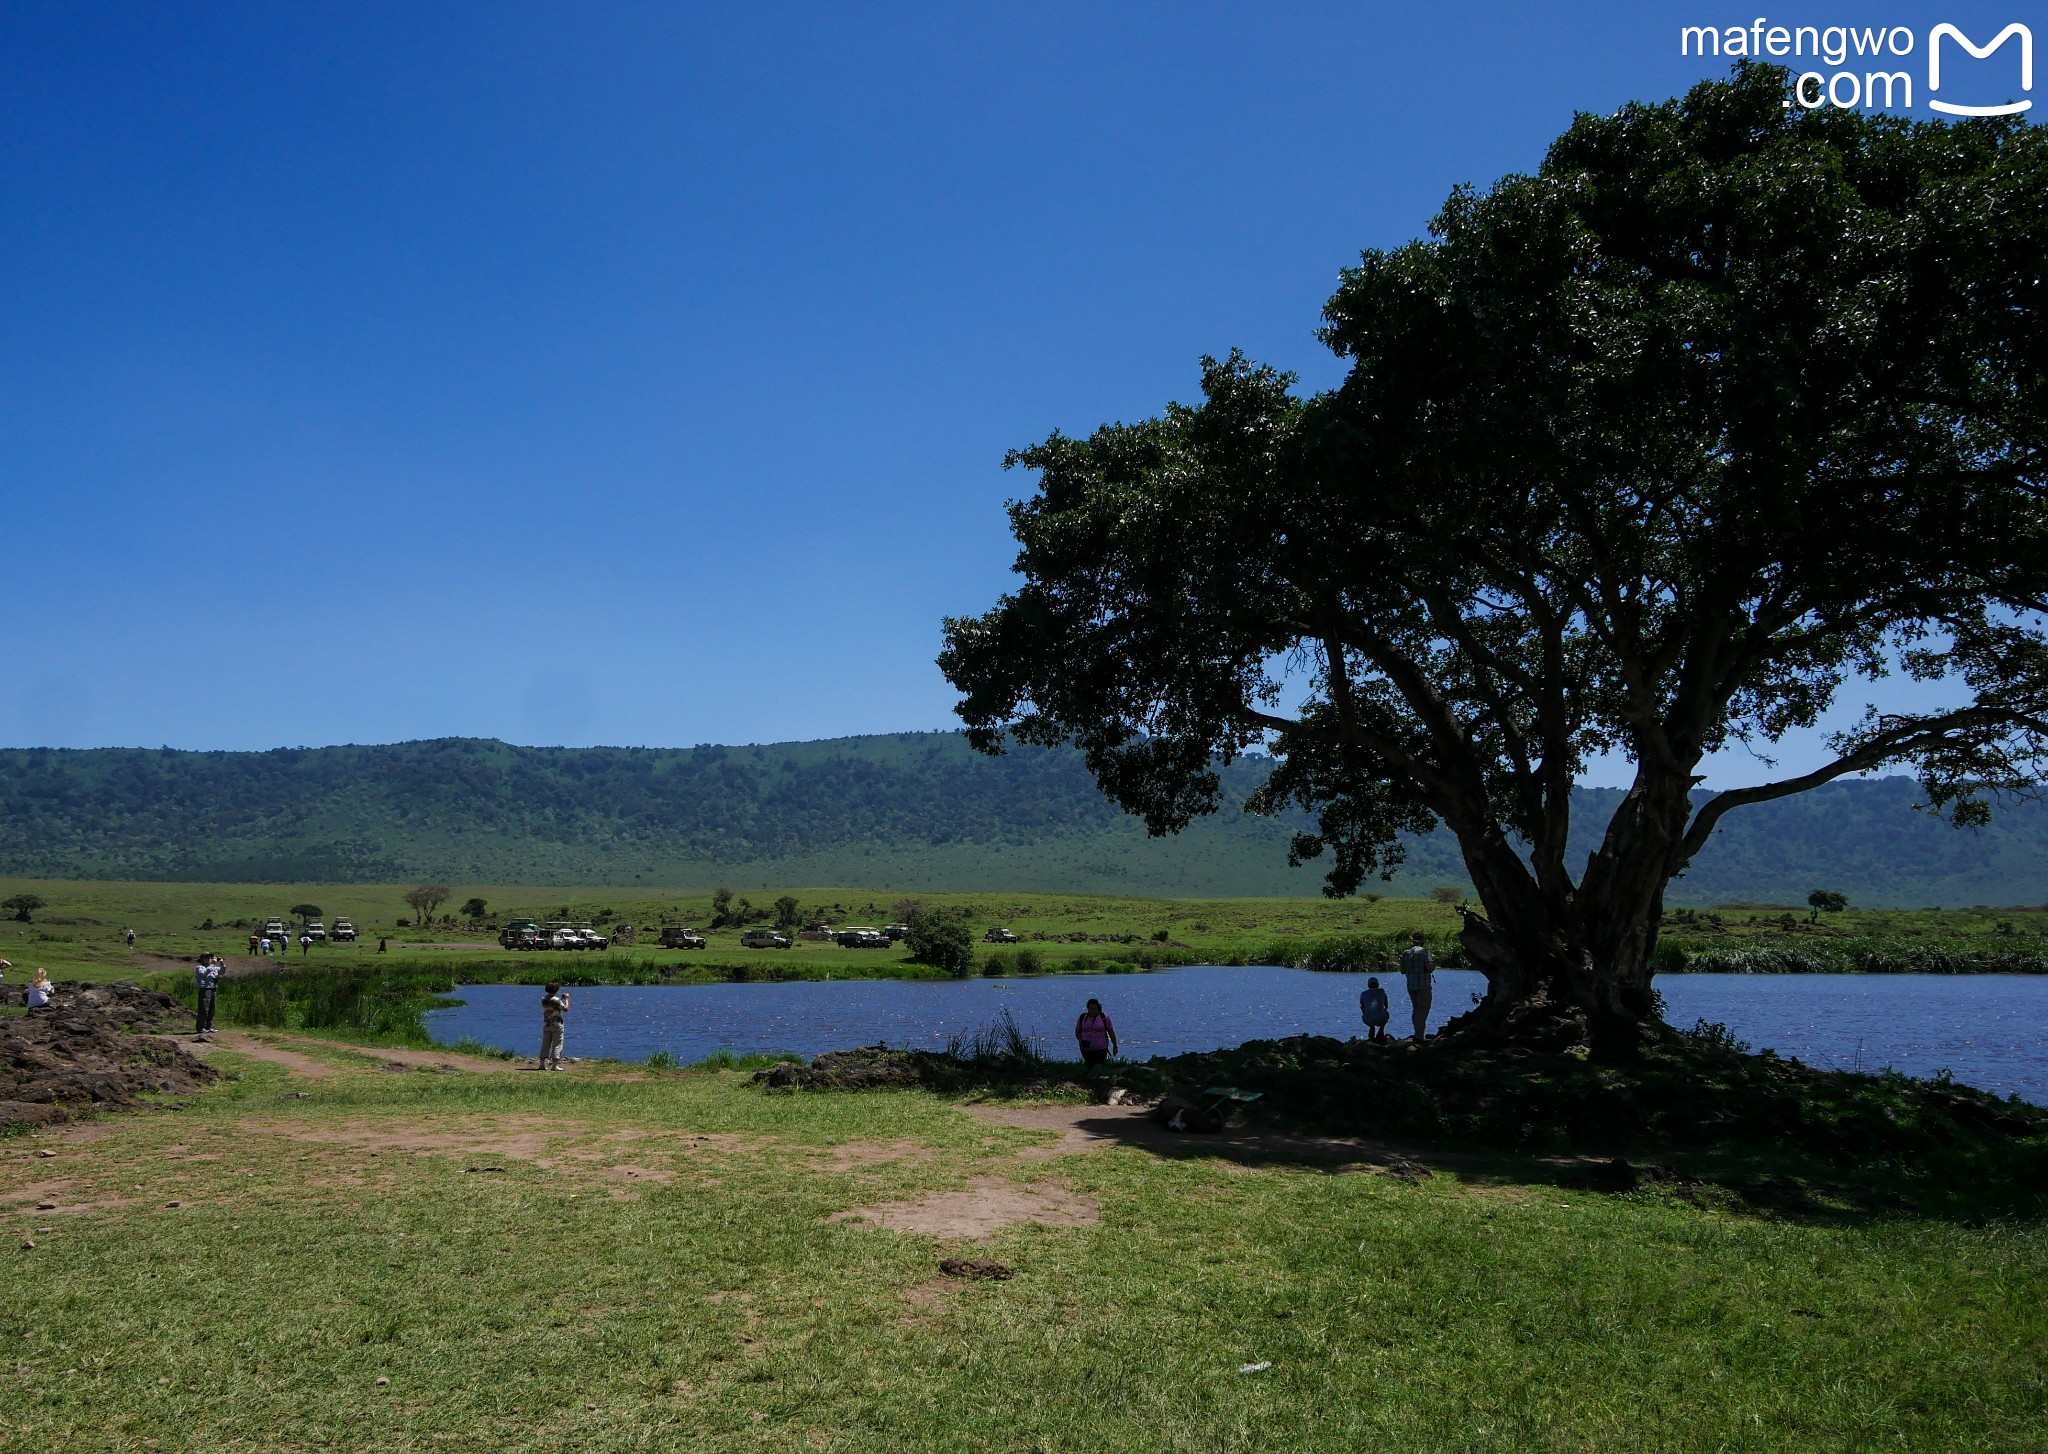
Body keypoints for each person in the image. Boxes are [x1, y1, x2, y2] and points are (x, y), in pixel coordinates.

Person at [1400, 932, 1434, 1039]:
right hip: (1423, 985)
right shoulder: (1424, 952)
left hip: (1411, 985)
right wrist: (1434, 965)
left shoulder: (1406, 953)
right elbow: (1429, 968)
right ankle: (1419, 1036)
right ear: (1422, 941)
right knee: (1423, 1010)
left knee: (1415, 1009)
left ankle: (1417, 1033)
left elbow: (1402, 970)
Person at [1074, 998, 1118, 1068]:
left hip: (1101, 1048)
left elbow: (1111, 1032)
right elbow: (1077, 1031)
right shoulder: (1082, 1018)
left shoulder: (1104, 1018)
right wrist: (1079, 1040)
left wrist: (1115, 1046)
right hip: (1086, 1048)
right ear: (1087, 1008)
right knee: (1089, 1066)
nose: (1093, 1010)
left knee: (1099, 1066)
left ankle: (1099, 1077)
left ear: (1098, 1008)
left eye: (1095, 1008)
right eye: (1091, 1008)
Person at [539, 982, 569, 1070]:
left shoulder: (543, 999)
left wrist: (560, 999)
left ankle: (541, 1064)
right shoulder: (557, 1000)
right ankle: (554, 1066)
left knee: (545, 1044)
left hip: (546, 1024)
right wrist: (566, 999)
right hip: (557, 1025)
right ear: (556, 990)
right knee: (557, 1044)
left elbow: (552, 1003)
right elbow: (566, 1009)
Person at [193, 954, 221, 1037]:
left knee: (212, 1008)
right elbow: (204, 974)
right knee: (204, 1008)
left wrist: (222, 964)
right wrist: (213, 965)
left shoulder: (213, 967)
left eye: (210, 957)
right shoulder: (200, 967)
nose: (209, 959)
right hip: (204, 989)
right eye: (207, 957)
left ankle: (208, 1027)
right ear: (202, 959)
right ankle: (201, 1027)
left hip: (213, 989)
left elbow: (222, 971)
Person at [1359, 976, 1390, 1041]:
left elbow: (1362, 1007)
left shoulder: (1363, 994)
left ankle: (1371, 1029)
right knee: (1387, 1014)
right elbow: (1386, 1005)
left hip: (1368, 1019)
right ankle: (1381, 1031)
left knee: (1368, 1017)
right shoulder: (1382, 991)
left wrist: (1366, 1014)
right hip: (1381, 1018)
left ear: (1368, 985)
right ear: (1377, 984)